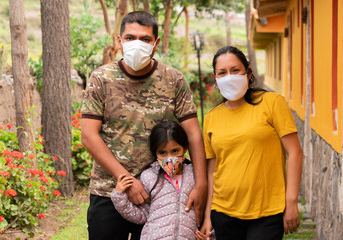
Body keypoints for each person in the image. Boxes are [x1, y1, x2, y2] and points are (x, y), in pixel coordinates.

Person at [80, 11, 207, 240]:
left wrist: (201, 185)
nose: (137, 43)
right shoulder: (101, 79)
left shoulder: (173, 80)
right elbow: (89, 136)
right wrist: (126, 181)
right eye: (130, 38)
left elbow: (194, 135)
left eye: (145, 39)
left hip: (159, 195)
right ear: (119, 41)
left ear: (156, 44)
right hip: (109, 190)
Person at [196, 46, 303, 240]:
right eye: (222, 72)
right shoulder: (211, 118)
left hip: (267, 211)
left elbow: (295, 153)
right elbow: (212, 171)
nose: (229, 76)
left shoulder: (272, 102)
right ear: (216, 79)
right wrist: (207, 217)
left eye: (235, 70)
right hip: (223, 212)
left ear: (248, 72)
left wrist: (292, 201)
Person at [111, 120, 198, 239]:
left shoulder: (195, 175)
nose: (169, 158)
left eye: (175, 151)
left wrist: (210, 233)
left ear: (185, 148)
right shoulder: (149, 177)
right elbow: (142, 215)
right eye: (163, 153)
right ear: (155, 153)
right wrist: (119, 197)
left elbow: (207, 209)